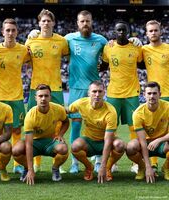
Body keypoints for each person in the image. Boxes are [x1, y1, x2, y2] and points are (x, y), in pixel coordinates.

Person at [25, 9, 69, 172]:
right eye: (43, 21)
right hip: (35, 87)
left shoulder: (62, 41)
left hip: (56, 87)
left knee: (58, 123)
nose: (46, 23)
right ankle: (35, 164)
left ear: (53, 23)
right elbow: (25, 60)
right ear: (39, 23)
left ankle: (57, 162)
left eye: (48, 21)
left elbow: (69, 55)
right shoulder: (31, 41)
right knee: (34, 123)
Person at [65, 10, 108, 173]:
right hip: (76, 89)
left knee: (99, 125)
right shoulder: (68, 39)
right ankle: (74, 162)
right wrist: (34, 33)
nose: (85, 24)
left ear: (92, 22)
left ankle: (98, 160)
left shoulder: (101, 40)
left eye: (88, 21)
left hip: (94, 89)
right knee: (75, 126)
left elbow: (111, 57)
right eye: (82, 21)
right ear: (77, 23)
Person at [0, 18, 30, 175]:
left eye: (13, 30)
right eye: (8, 30)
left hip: (17, 97)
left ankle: (17, 164)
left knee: (17, 130)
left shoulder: (24, 50)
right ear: (2, 32)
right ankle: (1, 165)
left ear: (17, 32)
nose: (10, 33)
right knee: (1, 132)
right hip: (0, 98)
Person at [101, 21, 143, 173]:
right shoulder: (109, 47)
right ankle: (113, 162)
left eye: (123, 30)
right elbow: (103, 65)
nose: (120, 32)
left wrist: (140, 43)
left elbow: (144, 64)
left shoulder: (136, 47)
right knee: (111, 127)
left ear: (128, 31)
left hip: (132, 92)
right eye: (118, 30)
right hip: (113, 93)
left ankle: (136, 163)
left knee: (135, 126)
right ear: (114, 31)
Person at [12, 84, 69, 185]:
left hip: (50, 142)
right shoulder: (30, 115)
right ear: (35, 98)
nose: (43, 99)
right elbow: (29, 144)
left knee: (63, 149)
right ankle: (27, 169)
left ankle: (55, 168)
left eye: (46, 96)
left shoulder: (58, 109)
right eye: (40, 96)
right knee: (16, 150)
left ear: (50, 97)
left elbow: (66, 121)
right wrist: (30, 169)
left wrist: (60, 134)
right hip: (34, 143)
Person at [69, 80, 125, 182]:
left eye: (100, 91)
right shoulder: (81, 103)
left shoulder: (111, 111)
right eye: (94, 91)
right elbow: (66, 111)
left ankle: (108, 168)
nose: (97, 94)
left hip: (105, 141)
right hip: (89, 141)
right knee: (75, 146)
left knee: (120, 145)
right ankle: (89, 167)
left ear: (104, 93)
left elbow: (108, 141)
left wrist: (103, 167)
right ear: (89, 93)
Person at [126, 81, 169, 183]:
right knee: (130, 147)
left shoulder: (167, 107)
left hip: (163, 144)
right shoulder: (138, 113)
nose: (152, 96)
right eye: (149, 93)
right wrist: (148, 166)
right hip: (146, 144)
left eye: (154, 93)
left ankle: (166, 167)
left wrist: (159, 140)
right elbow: (142, 141)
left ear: (160, 94)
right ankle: (141, 168)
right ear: (144, 95)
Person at [142, 20, 169, 173]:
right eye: (150, 31)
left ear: (161, 31)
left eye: (156, 30)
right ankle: (152, 163)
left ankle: (167, 166)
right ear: (147, 33)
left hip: (168, 94)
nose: (153, 33)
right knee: (151, 129)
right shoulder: (144, 50)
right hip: (153, 95)